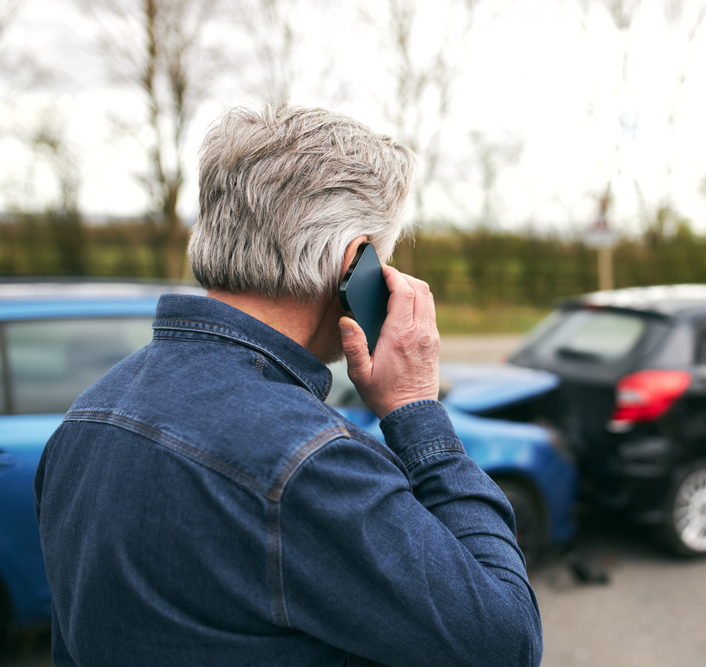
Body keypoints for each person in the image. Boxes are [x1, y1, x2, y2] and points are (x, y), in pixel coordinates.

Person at [34, 104, 543, 667]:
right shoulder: (309, 463)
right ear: (356, 264)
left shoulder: (87, 415)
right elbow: (507, 642)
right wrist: (416, 408)